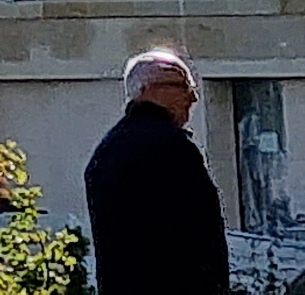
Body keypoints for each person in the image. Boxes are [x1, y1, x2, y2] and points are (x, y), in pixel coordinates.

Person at [83, 48, 231, 294]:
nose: (192, 99)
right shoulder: (171, 147)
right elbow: (201, 235)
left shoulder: (106, 151)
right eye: (183, 86)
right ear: (149, 90)